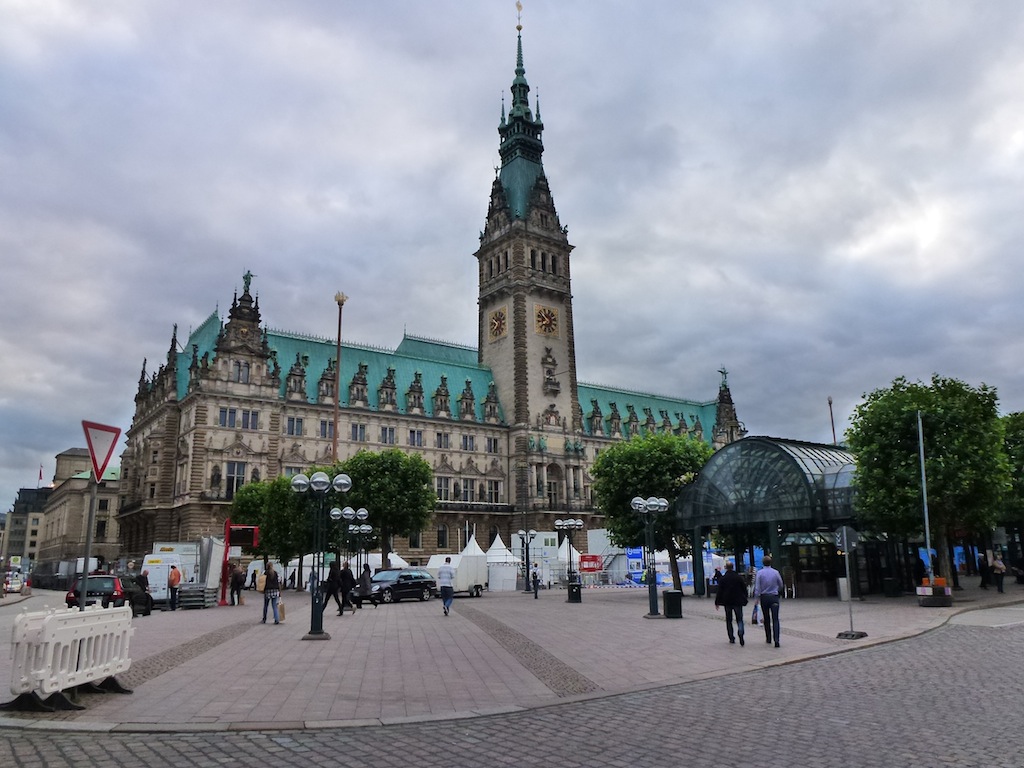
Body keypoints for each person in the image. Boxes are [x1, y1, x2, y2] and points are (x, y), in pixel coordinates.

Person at [753, 555, 785, 647]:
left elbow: (757, 587)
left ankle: (768, 638)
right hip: (774, 596)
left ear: (763, 563)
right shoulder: (775, 572)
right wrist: (777, 590)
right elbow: (781, 584)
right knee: (775, 619)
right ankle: (777, 639)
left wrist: (756, 598)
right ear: (771, 562)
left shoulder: (760, 573)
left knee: (766, 618)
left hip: (764, 597)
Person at [714, 561, 748, 645]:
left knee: (729, 620)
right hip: (738, 601)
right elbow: (744, 588)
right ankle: (741, 632)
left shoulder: (723, 578)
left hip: (727, 601)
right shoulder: (738, 577)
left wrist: (717, 602)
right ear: (733, 567)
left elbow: (720, 591)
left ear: (726, 567)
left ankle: (731, 637)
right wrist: (745, 597)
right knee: (739, 619)